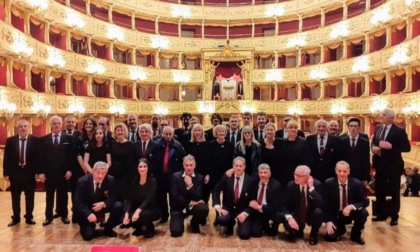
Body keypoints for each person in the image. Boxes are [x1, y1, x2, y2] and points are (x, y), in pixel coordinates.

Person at [371, 108, 410, 226]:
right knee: (380, 190)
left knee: (394, 191)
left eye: (383, 115)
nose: (381, 116)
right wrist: (373, 148)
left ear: (391, 118)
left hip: (393, 166)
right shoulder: (378, 128)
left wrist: (391, 146)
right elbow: (373, 142)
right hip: (379, 164)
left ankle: (394, 215)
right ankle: (381, 214)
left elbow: (407, 148)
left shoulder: (399, 131)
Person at [38, 116, 76, 226]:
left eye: (59, 123)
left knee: (63, 195)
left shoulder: (68, 138)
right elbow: (40, 158)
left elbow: (72, 156)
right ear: (50, 125)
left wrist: (70, 170)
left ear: (62, 125)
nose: (56, 125)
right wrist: (40, 172)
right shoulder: (43, 139)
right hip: (49, 174)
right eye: (54, 123)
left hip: (63, 173)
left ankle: (64, 215)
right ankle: (48, 217)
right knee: (49, 196)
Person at [323, 161, 369, 245]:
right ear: (335, 171)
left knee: (363, 213)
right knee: (330, 237)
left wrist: (351, 206)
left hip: (350, 213)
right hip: (335, 215)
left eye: (344, 171)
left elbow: (365, 201)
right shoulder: (328, 183)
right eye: (339, 171)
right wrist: (328, 221)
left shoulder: (356, 183)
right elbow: (324, 204)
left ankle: (355, 234)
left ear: (349, 171)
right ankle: (341, 228)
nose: (342, 174)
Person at [74, 161, 123, 240]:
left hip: (102, 207)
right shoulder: (82, 181)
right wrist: (88, 214)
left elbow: (113, 196)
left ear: (106, 172)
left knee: (118, 205)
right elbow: (78, 202)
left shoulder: (110, 179)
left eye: (103, 173)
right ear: (93, 171)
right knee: (88, 236)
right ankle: (90, 227)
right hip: (88, 209)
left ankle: (108, 228)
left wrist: (104, 203)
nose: (100, 176)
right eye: (98, 173)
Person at [3, 119, 38, 226]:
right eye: (21, 126)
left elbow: (38, 158)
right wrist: (6, 173)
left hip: (30, 173)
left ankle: (29, 217)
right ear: (17, 128)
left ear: (28, 128)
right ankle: (16, 218)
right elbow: (6, 158)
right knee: (15, 197)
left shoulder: (35, 140)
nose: (23, 128)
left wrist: (38, 172)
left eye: (25, 126)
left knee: (30, 196)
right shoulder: (10, 140)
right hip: (15, 173)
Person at [212, 157, 254, 240]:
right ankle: (231, 223)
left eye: (240, 166)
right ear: (233, 166)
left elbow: (253, 200)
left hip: (242, 210)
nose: (238, 168)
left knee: (244, 235)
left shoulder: (250, 180)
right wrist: (217, 206)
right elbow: (216, 189)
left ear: (244, 166)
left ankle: (241, 224)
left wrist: (245, 213)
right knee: (221, 219)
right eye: (236, 165)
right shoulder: (227, 176)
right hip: (228, 208)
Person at [169, 155, 209, 237]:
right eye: (187, 165)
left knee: (203, 208)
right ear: (183, 166)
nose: (189, 168)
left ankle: (194, 222)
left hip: (193, 207)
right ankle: (180, 221)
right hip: (179, 207)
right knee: (175, 232)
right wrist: (190, 202)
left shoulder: (200, 177)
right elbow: (175, 196)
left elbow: (198, 196)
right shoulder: (176, 176)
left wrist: (190, 185)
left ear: (195, 166)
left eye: (191, 165)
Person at [282, 165, 323, 245]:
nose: (295, 177)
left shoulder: (317, 184)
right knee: (290, 231)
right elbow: (283, 205)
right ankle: (298, 230)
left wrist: (311, 188)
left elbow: (321, 204)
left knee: (319, 212)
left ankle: (313, 234)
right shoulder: (290, 185)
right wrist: (290, 218)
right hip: (297, 213)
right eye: (295, 174)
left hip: (311, 214)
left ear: (307, 177)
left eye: (299, 176)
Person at [154, 126, 186, 223]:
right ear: (162, 134)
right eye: (166, 134)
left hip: (173, 177)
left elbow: (182, 161)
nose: (168, 136)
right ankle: (164, 215)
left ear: (173, 134)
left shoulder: (178, 146)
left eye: (170, 134)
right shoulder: (156, 145)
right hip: (160, 176)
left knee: (173, 197)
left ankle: (174, 215)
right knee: (161, 197)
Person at [123, 159, 160, 238]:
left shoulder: (153, 180)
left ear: (148, 168)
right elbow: (130, 199)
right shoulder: (134, 181)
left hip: (151, 209)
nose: (142, 169)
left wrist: (137, 211)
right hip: (139, 208)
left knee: (142, 215)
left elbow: (149, 198)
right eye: (140, 167)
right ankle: (138, 227)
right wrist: (126, 213)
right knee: (125, 217)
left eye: (144, 166)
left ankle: (150, 228)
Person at [246, 164, 282, 237]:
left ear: (270, 174)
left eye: (265, 172)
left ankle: (274, 229)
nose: (262, 175)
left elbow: (275, 205)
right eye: (260, 172)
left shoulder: (276, 185)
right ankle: (264, 225)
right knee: (255, 233)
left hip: (270, 210)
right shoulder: (254, 182)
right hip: (258, 212)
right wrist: (251, 201)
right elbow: (249, 197)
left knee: (278, 215)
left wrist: (259, 207)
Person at [72, 117, 97, 222]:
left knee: (92, 192)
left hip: (94, 168)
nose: (88, 125)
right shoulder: (80, 138)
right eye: (86, 123)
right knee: (79, 192)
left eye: (90, 124)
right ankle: (77, 215)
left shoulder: (97, 137)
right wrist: (84, 167)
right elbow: (78, 154)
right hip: (81, 168)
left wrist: (91, 169)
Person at [184, 123, 211, 204]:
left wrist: (208, 174)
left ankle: (204, 211)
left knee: (205, 192)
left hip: (204, 172)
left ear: (202, 132)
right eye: (195, 130)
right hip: (193, 172)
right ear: (192, 132)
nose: (197, 132)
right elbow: (187, 160)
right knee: (193, 192)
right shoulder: (188, 144)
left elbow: (209, 160)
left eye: (199, 130)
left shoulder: (207, 144)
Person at [339, 118, 370, 182]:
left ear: (358, 128)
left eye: (355, 126)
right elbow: (340, 159)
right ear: (348, 127)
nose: (353, 128)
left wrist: (366, 178)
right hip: (345, 172)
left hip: (359, 173)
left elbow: (366, 160)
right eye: (351, 126)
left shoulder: (364, 142)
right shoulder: (342, 141)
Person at [207, 124, 235, 195]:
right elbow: (208, 160)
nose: (222, 133)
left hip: (227, 173)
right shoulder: (210, 145)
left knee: (227, 194)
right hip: (214, 174)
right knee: (215, 194)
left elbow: (233, 159)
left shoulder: (230, 145)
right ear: (216, 133)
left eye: (223, 131)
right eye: (220, 131)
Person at [279, 119, 308, 187]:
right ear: (286, 129)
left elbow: (306, 159)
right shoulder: (282, 142)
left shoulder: (304, 142)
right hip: (285, 175)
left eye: (295, 127)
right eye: (291, 127)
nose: (293, 129)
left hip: (300, 174)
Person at [109, 123, 133, 201]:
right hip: (113, 173)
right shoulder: (111, 143)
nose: (120, 132)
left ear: (125, 132)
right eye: (118, 130)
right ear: (115, 133)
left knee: (124, 196)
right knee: (113, 195)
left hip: (125, 174)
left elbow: (130, 160)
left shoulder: (130, 144)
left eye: (121, 130)